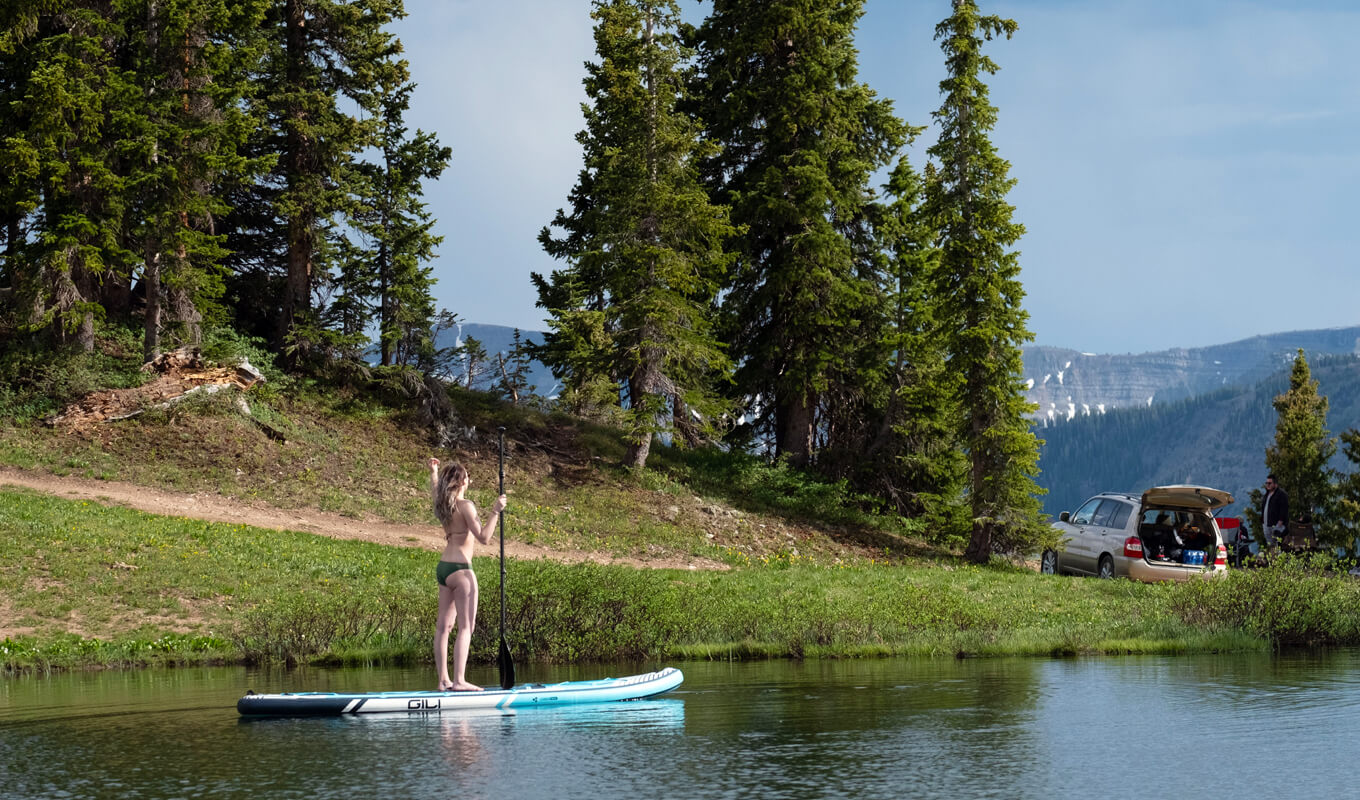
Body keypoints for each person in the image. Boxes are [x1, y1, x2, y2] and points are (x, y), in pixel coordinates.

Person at [429, 456, 507, 692]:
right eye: (467, 477)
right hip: (462, 570)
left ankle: (443, 680)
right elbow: (484, 537)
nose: (469, 480)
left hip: (444, 568)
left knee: (443, 627)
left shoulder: (443, 504)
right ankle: (459, 680)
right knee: (466, 627)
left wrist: (433, 471)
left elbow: (436, 488)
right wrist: (495, 511)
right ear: (462, 481)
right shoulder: (465, 506)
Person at [1261, 474, 1289, 550]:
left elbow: (1284, 508)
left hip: (1276, 524)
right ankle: (1272, 556)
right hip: (1266, 524)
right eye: (1266, 483)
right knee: (1270, 546)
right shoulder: (1267, 495)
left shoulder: (1281, 494)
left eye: (1269, 483)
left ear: (1275, 484)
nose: (1267, 485)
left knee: (1278, 543)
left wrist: (1280, 521)